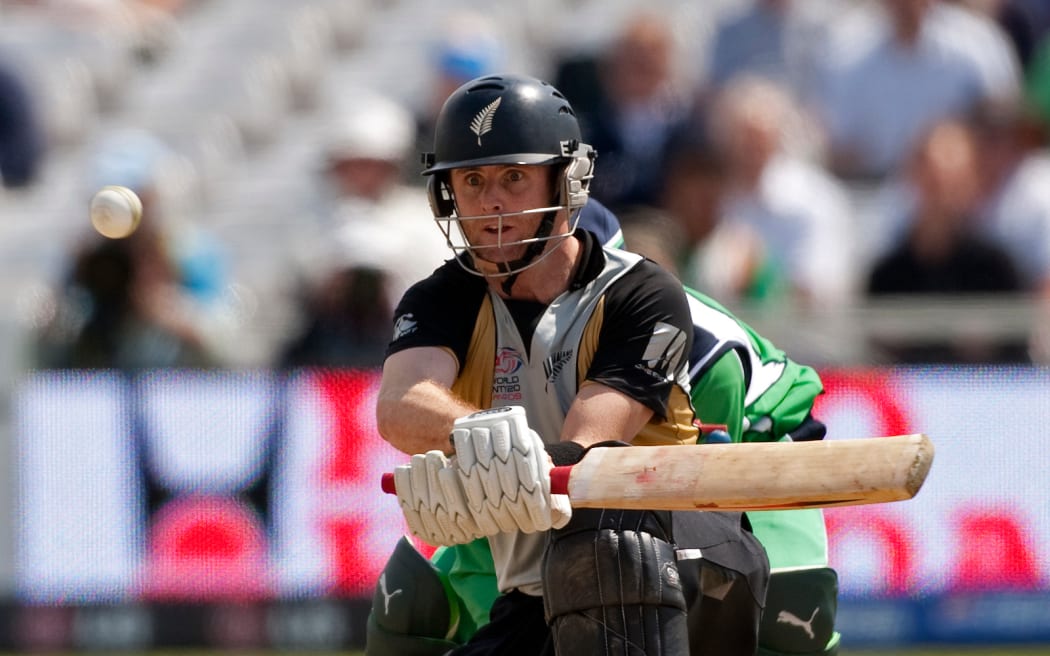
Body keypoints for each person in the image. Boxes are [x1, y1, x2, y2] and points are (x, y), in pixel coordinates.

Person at [369, 73, 769, 655]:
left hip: (687, 560)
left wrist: (508, 462)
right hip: (546, 590)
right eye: (472, 181)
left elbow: (587, 449)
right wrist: (476, 438)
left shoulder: (642, 293)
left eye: (513, 177)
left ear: (566, 181)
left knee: (605, 544)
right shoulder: (440, 299)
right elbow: (402, 403)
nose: (491, 202)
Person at [365, 200, 841, 655]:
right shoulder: (468, 308)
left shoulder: (698, 349)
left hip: (744, 444)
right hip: (550, 480)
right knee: (411, 599)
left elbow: (701, 495)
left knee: (782, 610)